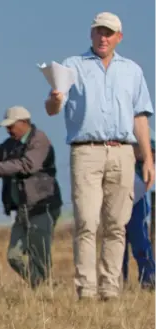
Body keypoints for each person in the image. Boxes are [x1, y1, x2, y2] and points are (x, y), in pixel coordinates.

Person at [44, 11, 155, 300]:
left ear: (119, 37)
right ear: (91, 34)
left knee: (117, 224)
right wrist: (54, 99)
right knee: (87, 222)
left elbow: (140, 117)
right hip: (86, 151)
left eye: (109, 33)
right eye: (99, 32)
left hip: (123, 152)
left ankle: (111, 289)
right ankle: (86, 290)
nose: (103, 37)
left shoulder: (132, 71)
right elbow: (52, 109)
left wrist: (148, 159)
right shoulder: (72, 66)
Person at [0, 106, 63, 289]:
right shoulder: (13, 142)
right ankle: (42, 286)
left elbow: (27, 165)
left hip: (41, 205)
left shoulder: (39, 141)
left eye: (11, 126)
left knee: (39, 254)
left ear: (23, 123)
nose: (8, 130)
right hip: (23, 207)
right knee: (14, 255)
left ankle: (44, 291)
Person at [122, 139, 155, 290]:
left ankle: (149, 279)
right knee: (117, 243)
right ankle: (119, 281)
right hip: (116, 198)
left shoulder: (140, 130)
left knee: (140, 241)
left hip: (137, 201)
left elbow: (151, 151)